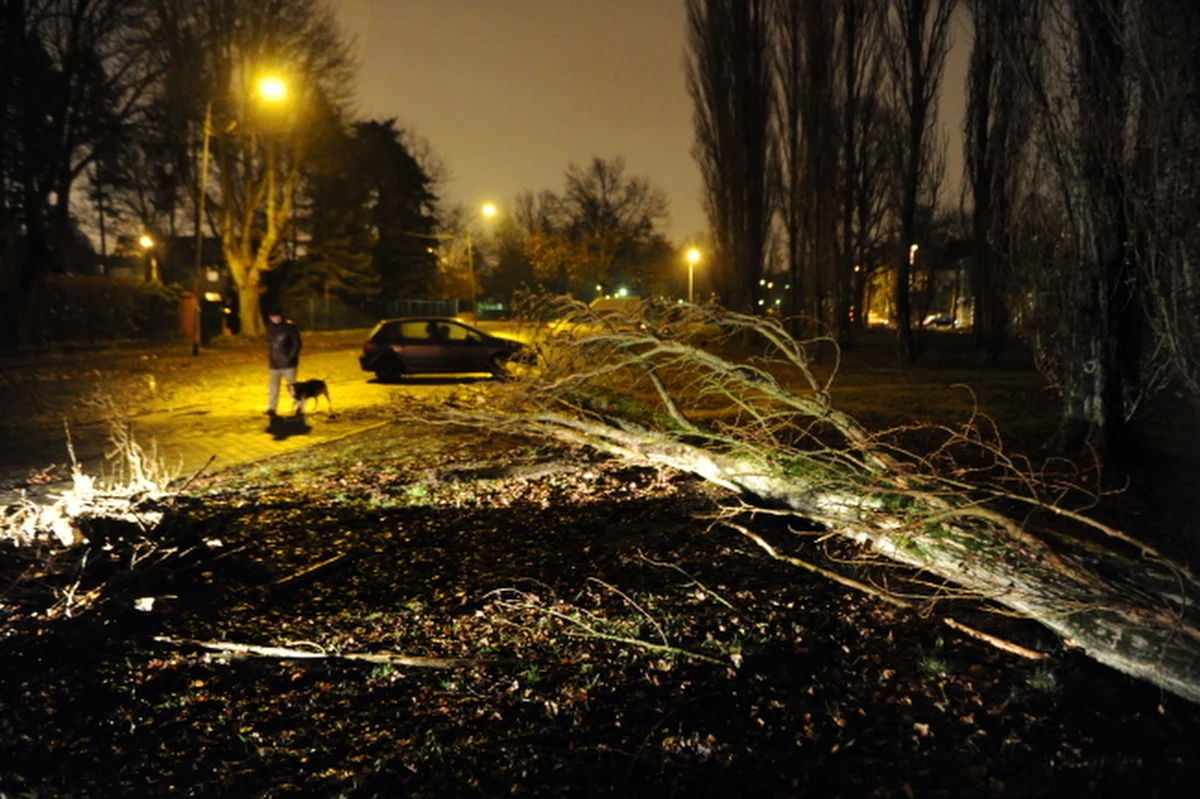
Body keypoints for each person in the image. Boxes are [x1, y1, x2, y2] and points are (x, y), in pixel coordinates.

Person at [265, 308, 302, 416]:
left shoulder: (290, 328)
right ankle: (272, 407)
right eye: (273, 317)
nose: (275, 318)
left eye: (277, 316)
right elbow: (270, 343)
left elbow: (297, 344)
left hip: (288, 363)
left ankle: (299, 405)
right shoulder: (270, 328)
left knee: (293, 386)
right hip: (274, 363)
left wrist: (290, 357)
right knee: (273, 386)